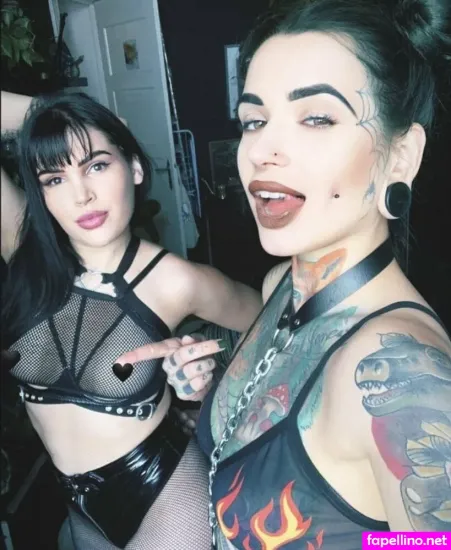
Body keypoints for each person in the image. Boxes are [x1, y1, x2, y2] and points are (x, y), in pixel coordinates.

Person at [115, 0, 451, 547]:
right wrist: (212, 388)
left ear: (401, 156)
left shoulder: (404, 381)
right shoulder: (280, 287)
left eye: (316, 118)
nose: (262, 151)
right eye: (254, 121)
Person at [0, 90, 262, 550]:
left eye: (97, 165)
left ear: (135, 168)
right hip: (76, 505)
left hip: (165, 499)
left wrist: (212, 384)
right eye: (55, 178)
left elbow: (270, 320)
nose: (81, 195)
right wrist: (59, 115)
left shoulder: (177, 280)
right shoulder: (22, 248)